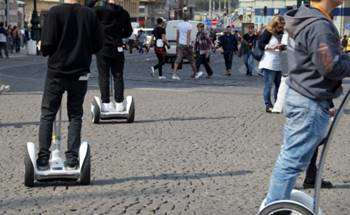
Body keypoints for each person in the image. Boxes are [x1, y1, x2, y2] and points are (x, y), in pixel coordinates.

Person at [264, 0, 350, 205]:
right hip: (309, 101)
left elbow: (324, 59)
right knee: (291, 162)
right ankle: (274, 207)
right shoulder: (319, 24)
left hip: (304, 95)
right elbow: (330, 67)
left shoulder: (306, 17)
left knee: (290, 159)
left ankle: (275, 205)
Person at [36, 0, 103, 170]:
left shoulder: (54, 13)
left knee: (48, 113)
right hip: (80, 72)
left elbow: (47, 45)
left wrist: (42, 47)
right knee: (75, 115)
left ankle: (43, 157)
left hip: (57, 72)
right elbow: (97, 45)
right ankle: (72, 158)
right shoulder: (90, 14)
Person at [88, 0, 133, 112]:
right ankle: (119, 103)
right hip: (117, 47)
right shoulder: (124, 13)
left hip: (102, 47)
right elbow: (128, 32)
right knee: (118, 75)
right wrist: (118, 35)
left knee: (103, 75)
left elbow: (87, 9)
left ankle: (106, 103)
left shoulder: (99, 11)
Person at [258, 16, 285, 113]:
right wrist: (271, 47)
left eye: (282, 27)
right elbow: (260, 44)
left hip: (280, 62)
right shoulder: (268, 32)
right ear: (274, 25)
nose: (281, 29)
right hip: (269, 62)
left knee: (279, 85)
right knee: (268, 85)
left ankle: (278, 104)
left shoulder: (283, 33)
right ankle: (268, 105)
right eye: (279, 27)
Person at [172, 14, 198, 80]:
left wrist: (177, 45)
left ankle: (174, 74)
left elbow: (177, 36)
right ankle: (195, 73)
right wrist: (188, 44)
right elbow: (188, 36)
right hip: (187, 45)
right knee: (191, 60)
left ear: (182, 18)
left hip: (180, 44)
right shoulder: (189, 25)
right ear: (188, 19)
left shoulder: (179, 25)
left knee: (178, 59)